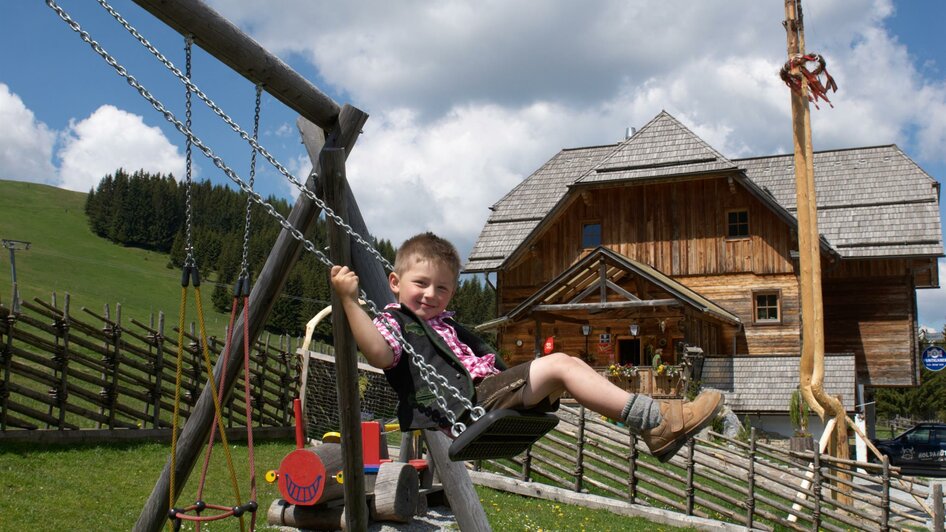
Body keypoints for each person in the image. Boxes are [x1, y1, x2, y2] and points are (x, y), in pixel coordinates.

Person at [330, 232, 723, 462]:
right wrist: (349, 301)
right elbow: (380, 355)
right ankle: (656, 421)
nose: (431, 294)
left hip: (489, 391)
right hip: (471, 402)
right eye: (420, 284)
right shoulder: (394, 321)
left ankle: (654, 424)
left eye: (443, 288)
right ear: (395, 282)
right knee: (561, 365)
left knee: (568, 366)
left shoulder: (445, 324)